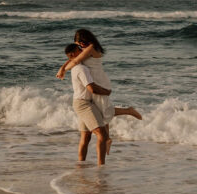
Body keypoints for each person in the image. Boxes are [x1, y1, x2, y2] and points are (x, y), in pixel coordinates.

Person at [57, 29, 142, 157]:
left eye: (80, 43)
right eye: (78, 45)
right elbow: (74, 59)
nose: (80, 46)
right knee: (102, 113)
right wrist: (63, 67)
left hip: (99, 83)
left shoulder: (90, 48)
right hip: (94, 83)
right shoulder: (86, 50)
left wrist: (63, 70)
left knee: (104, 110)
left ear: (85, 40)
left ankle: (127, 113)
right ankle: (107, 139)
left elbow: (74, 60)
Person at [57, 43, 111, 165]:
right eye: (79, 49)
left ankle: (81, 165)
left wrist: (63, 67)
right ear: (73, 54)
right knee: (101, 134)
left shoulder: (77, 66)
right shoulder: (81, 69)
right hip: (84, 104)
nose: (82, 50)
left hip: (80, 102)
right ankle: (101, 167)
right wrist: (106, 91)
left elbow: (72, 60)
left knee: (86, 137)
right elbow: (91, 88)